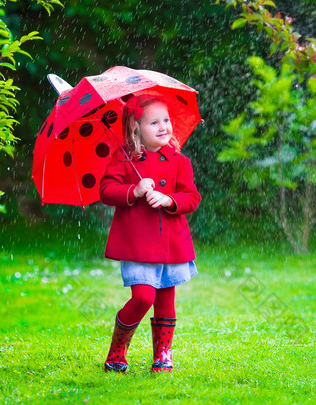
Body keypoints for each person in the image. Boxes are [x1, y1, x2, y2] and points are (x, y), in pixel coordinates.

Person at [100, 94, 201, 373]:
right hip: (137, 243)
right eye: (153, 122)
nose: (163, 127)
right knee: (144, 297)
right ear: (136, 127)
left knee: (166, 300)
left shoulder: (179, 161)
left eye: (166, 120)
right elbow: (106, 191)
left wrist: (169, 200)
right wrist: (135, 190)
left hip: (170, 243)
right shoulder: (124, 157)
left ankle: (163, 355)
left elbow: (192, 197)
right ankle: (118, 351)